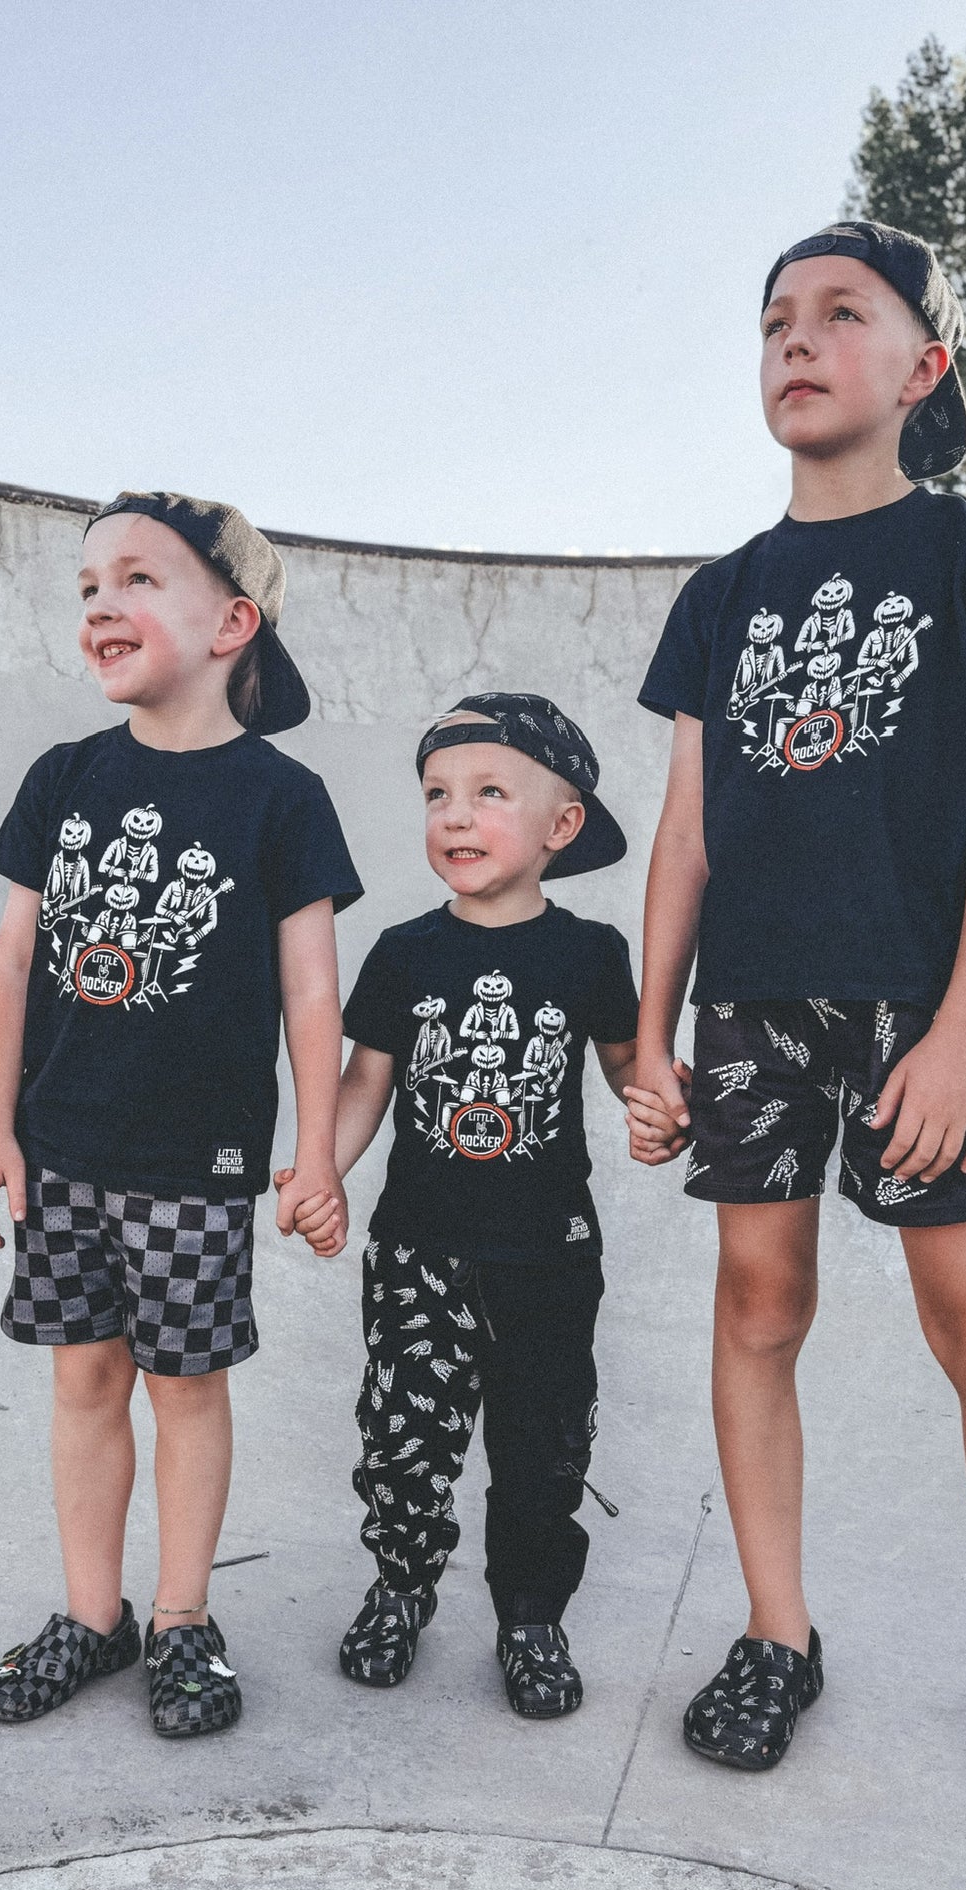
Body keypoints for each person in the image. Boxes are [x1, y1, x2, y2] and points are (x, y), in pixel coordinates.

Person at [627, 222, 966, 1813]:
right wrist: (650, 1035)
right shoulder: (722, 595)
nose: (796, 341)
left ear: (922, 364)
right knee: (756, 1304)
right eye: (774, 321)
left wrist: (961, 1024)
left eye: (838, 314)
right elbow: (687, 833)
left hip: (917, 1010)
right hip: (749, 1007)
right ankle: (776, 1632)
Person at [0, 491, 361, 1738]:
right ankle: (95, 1617)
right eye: (88, 587)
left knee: (184, 1386)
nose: (102, 605)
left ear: (233, 622)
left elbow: (313, 991)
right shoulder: (65, 777)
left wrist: (314, 1154)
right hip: (61, 1149)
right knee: (85, 1377)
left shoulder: (282, 799)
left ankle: (184, 1618)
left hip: (198, 1160)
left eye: (138, 578)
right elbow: (11, 965)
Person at [282, 695, 640, 1717]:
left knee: (542, 1454)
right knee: (404, 1439)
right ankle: (401, 1587)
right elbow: (366, 1082)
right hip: (419, 1253)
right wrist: (318, 1169)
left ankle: (529, 1618)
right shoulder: (406, 952)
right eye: (438, 795)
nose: (456, 815)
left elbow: (628, 1067)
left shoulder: (590, 953)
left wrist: (663, 1104)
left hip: (549, 1257)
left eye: (489, 793)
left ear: (561, 825)